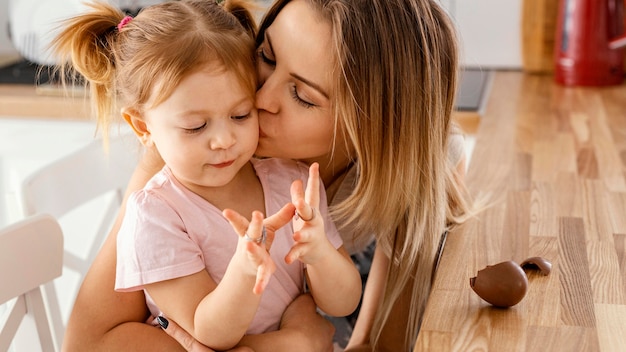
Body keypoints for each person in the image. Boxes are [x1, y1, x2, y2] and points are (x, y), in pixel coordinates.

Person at [56, 0, 475, 351]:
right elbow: (89, 343)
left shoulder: (416, 166)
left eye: (302, 95)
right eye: (267, 56)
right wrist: (288, 344)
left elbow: (376, 341)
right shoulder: (187, 160)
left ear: (369, 125)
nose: (257, 99)